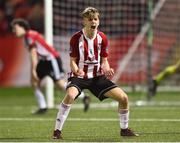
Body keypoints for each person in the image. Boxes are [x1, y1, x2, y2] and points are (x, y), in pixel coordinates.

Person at [52, 7, 138, 139]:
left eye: (96, 19)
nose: (93, 22)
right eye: (90, 19)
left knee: (124, 98)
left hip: (97, 77)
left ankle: (124, 129)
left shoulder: (102, 38)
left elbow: (104, 61)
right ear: (84, 22)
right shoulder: (76, 38)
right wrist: (76, 70)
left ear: (99, 21)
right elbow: (72, 62)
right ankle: (57, 132)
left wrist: (107, 69)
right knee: (70, 95)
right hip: (79, 77)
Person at [11, 18, 90, 114]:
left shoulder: (29, 36)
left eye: (15, 28)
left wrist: (33, 70)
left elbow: (33, 54)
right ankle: (43, 107)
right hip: (44, 61)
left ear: (22, 27)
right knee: (35, 82)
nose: (14, 31)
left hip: (52, 59)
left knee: (60, 84)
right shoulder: (28, 36)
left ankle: (83, 96)